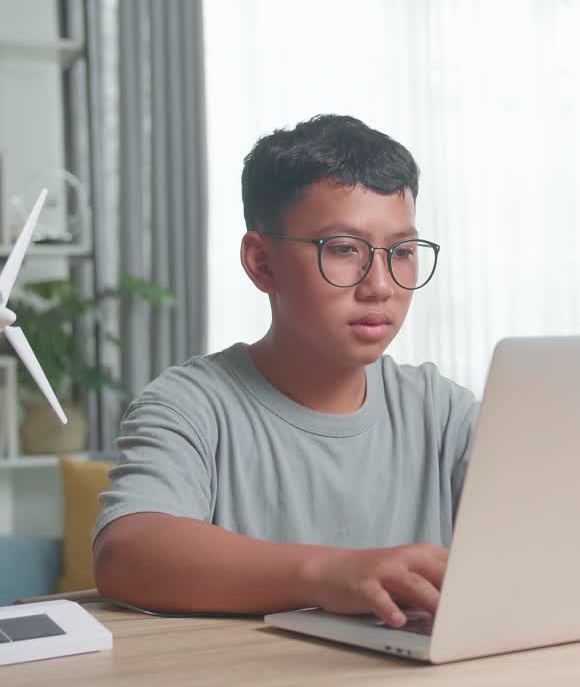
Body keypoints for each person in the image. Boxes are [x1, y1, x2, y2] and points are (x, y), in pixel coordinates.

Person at [92, 115, 477, 628]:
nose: (381, 286)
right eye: (343, 249)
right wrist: (330, 573)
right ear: (261, 262)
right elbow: (128, 551)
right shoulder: (192, 404)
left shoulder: (440, 408)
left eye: (402, 252)